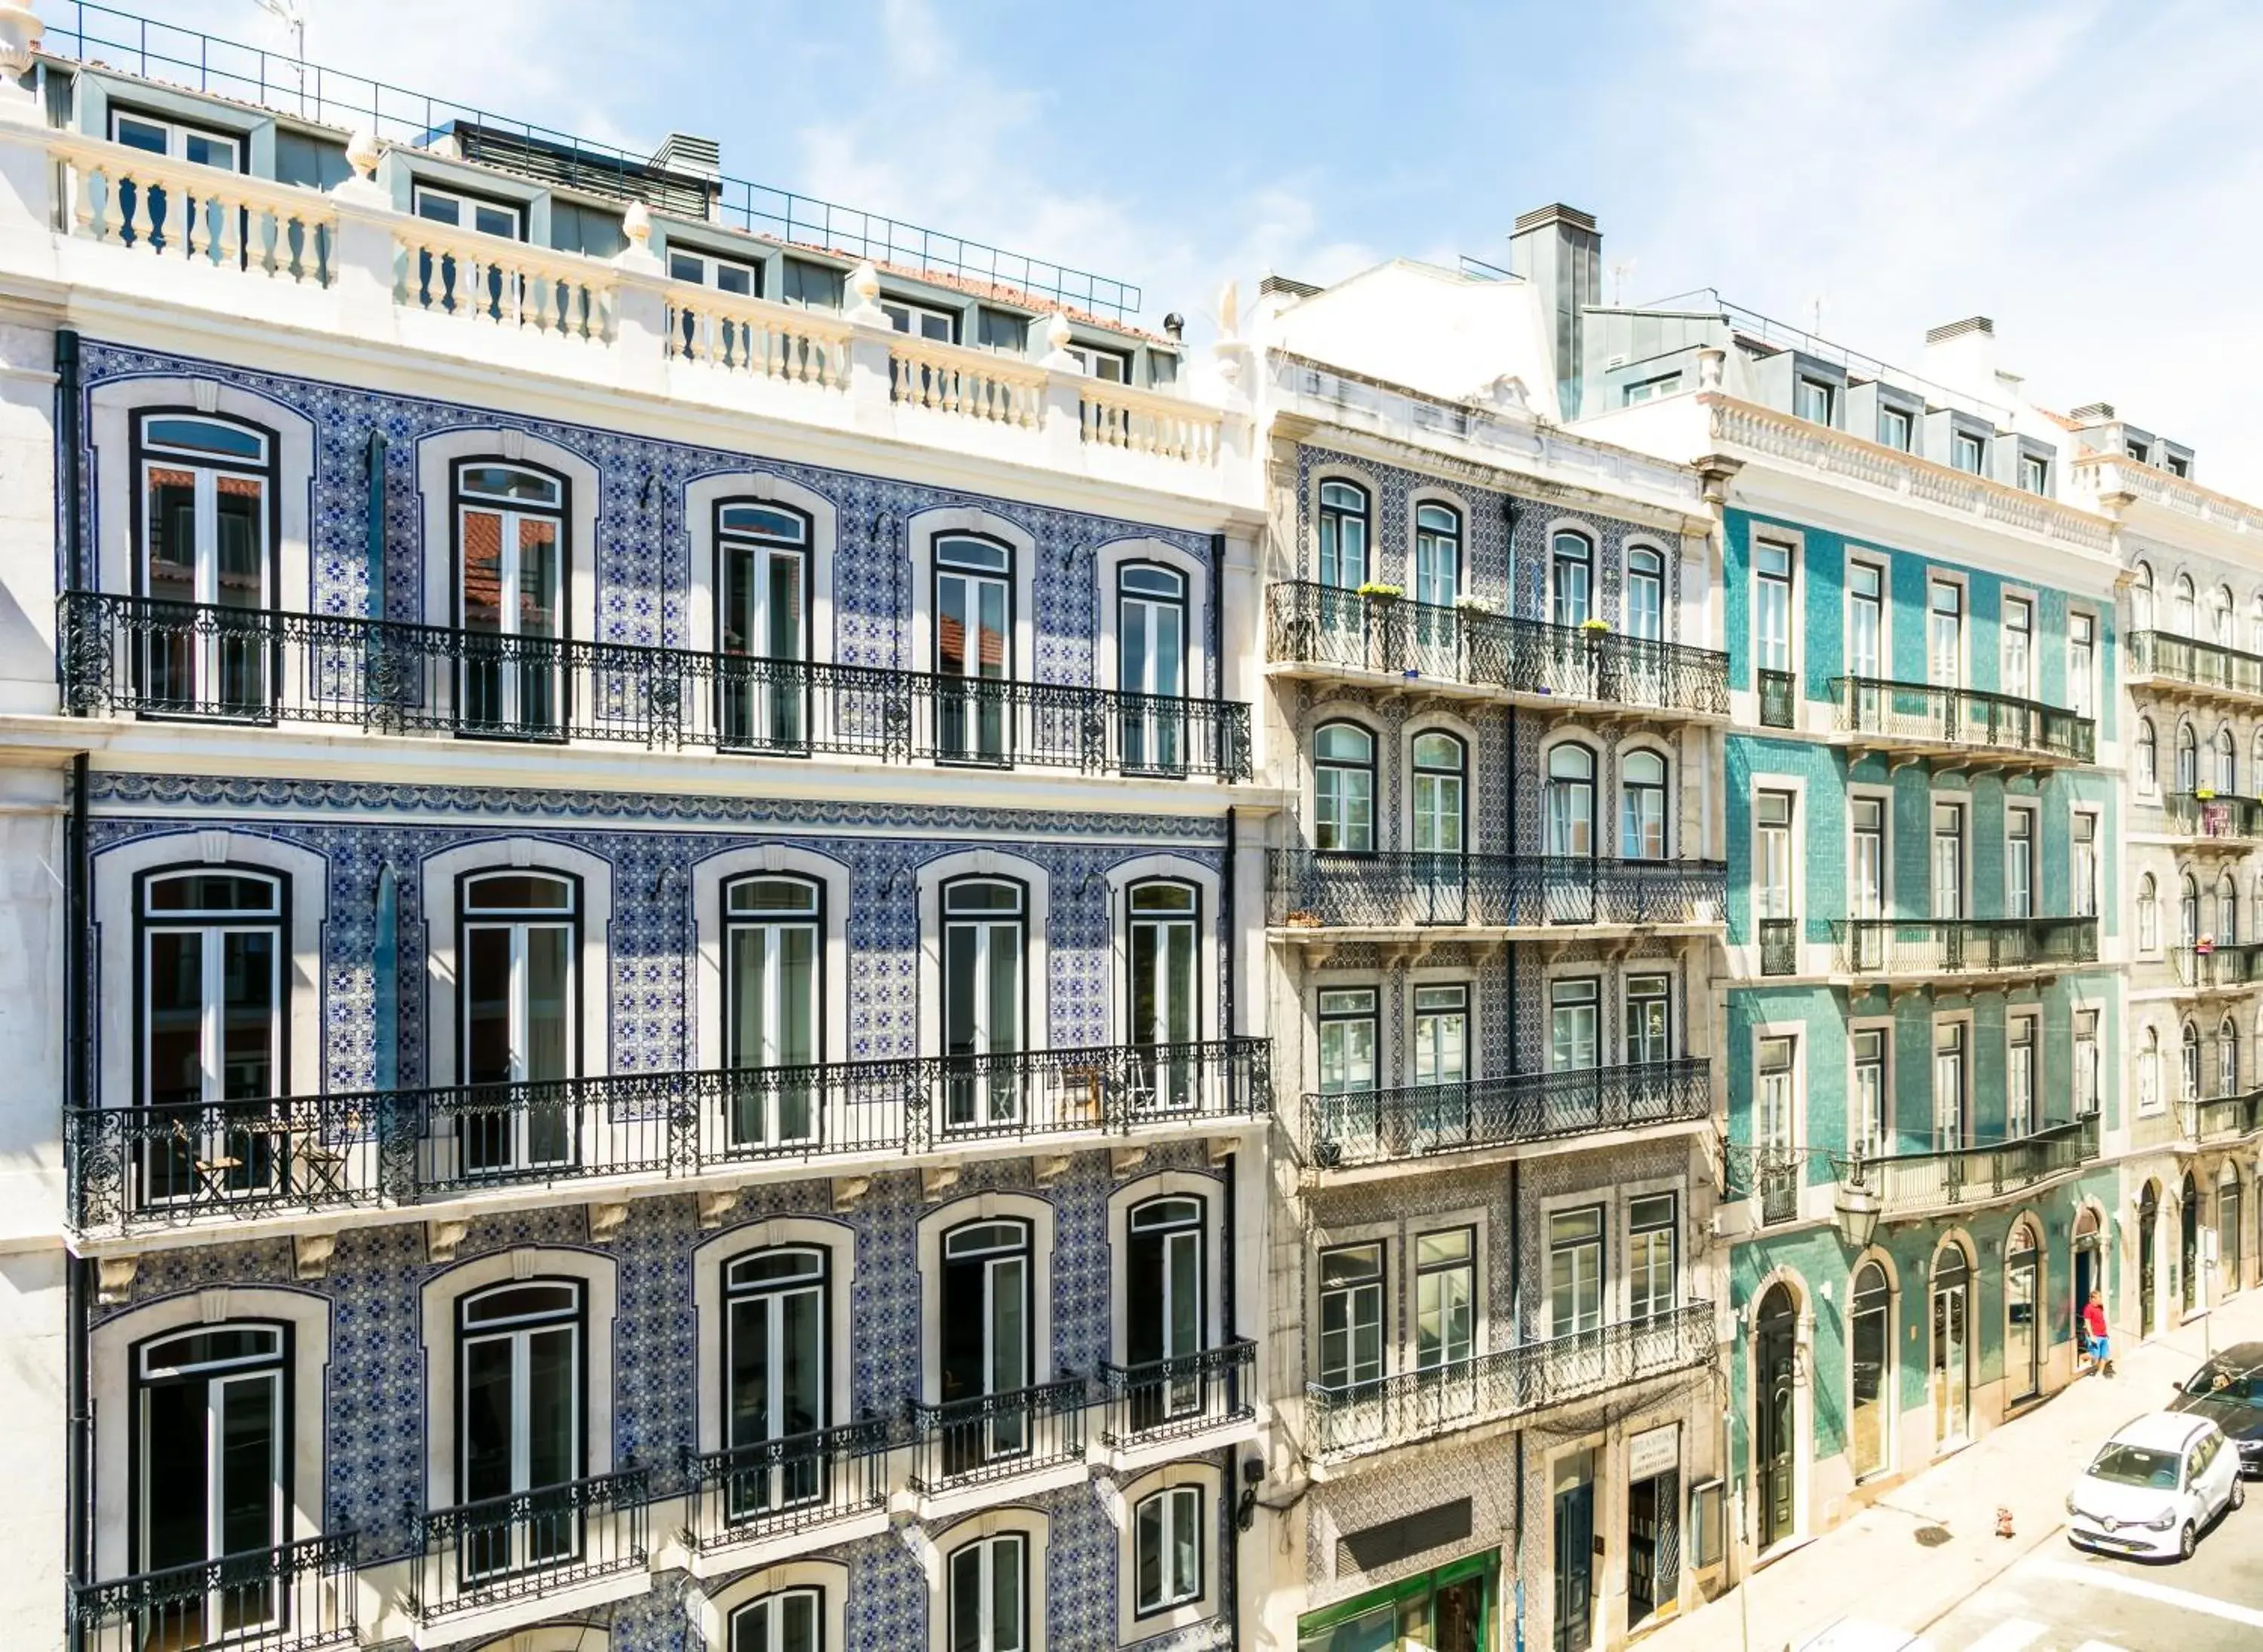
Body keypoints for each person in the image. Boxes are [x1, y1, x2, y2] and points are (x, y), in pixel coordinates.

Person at [2083, 1291, 2114, 1377]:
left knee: (2104, 1355)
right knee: (2095, 1356)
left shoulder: (2100, 1307)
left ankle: (2099, 1374)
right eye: (2099, 1297)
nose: (2101, 1299)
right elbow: (2087, 1323)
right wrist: (2092, 1336)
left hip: (2103, 1335)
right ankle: (2082, 1358)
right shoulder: (2088, 1308)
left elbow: (2100, 1320)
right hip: (2095, 1336)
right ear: (2093, 1299)